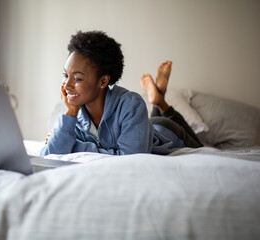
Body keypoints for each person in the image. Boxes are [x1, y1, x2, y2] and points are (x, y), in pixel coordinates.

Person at [40, 30, 202, 156]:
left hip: (165, 129)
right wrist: (71, 112)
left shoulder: (131, 104)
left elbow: (131, 158)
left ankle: (160, 103)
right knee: (146, 122)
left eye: (77, 79)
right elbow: (49, 155)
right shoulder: (71, 115)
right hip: (141, 125)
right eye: (65, 75)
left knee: (200, 146)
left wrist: (75, 146)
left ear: (103, 81)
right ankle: (157, 99)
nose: (67, 85)